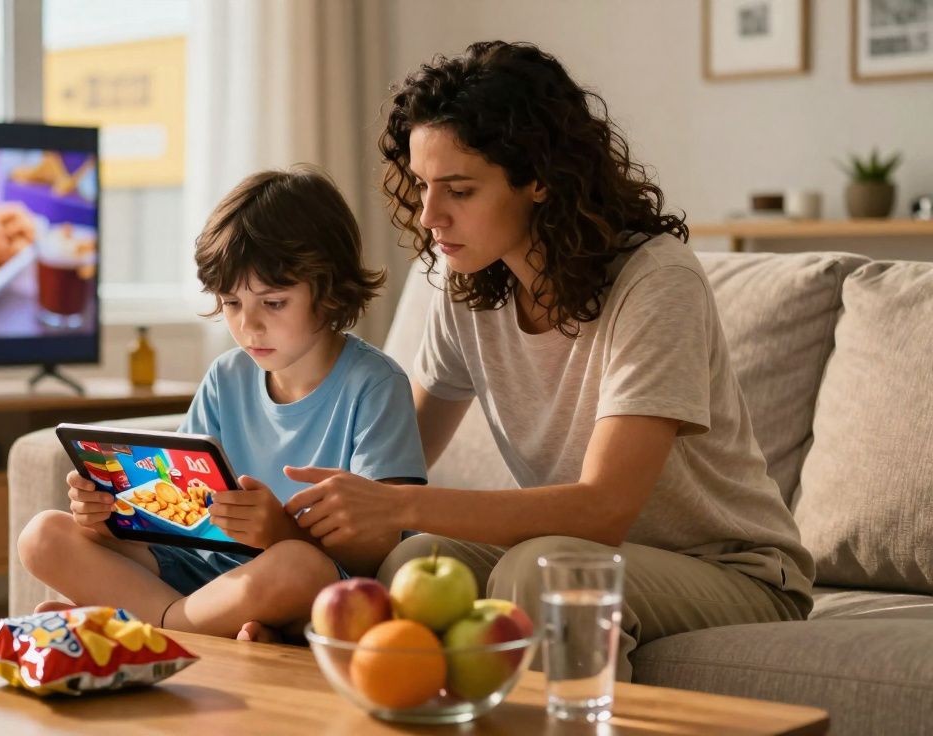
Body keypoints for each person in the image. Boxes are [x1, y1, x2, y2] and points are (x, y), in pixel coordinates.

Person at [282, 41, 814, 679]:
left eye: (459, 190)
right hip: (575, 552)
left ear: (539, 178)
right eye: (423, 187)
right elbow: (396, 460)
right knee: (415, 560)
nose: (429, 217)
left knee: (541, 570)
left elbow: (602, 510)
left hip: (734, 571)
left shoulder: (656, 283)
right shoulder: (466, 286)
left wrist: (396, 506)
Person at [18, 166, 427, 642]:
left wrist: (277, 530)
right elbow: (182, 517)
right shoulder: (226, 377)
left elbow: (373, 557)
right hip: (206, 576)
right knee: (44, 535)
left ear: (330, 291)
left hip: (302, 581)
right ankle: (202, 626)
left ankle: (154, 625)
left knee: (298, 567)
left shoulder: (375, 386)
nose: (249, 326)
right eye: (232, 303)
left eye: (273, 304)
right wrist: (113, 516)